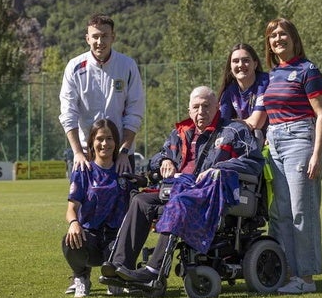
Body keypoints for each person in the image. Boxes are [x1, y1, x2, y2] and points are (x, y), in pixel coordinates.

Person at [100, 86, 264, 284]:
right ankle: (120, 266)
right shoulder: (179, 134)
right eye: (196, 107)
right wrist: (164, 161)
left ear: (217, 107)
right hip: (177, 188)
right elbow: (158, 156)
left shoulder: (234, 130)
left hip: (207, 192)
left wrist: (220, 168)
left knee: (179, 202)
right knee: (141, 200)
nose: (201, 111)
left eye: (206, 106)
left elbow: (254, 162)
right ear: (189, 111)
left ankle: (153, 272)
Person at [262, 17, 322, 295]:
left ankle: (307, 278)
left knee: (303, 212)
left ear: (294, 38)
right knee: (280, 214)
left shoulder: (307, 70)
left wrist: (317, 154)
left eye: (283, 34)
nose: (278, 39)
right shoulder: (273, 74)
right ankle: (286, 272)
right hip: (274, 142)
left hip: (300, 140)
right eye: (273, 35)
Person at [59, 14, 145, 174]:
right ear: (87, 39)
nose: (100, 42)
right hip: (86, 155)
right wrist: (77, 152)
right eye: (95, 37)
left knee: (126, 200)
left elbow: (135, 111)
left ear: (113, 37)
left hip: (121, 155)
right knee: (80, 200)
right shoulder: (74, 67)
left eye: (104, 36)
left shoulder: (128, 65)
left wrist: (124, 152)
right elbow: (67, 113)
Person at [62, 119, 135, 297]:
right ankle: (81, 277)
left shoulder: (123, 170)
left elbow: (136, 206)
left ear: (116, 142)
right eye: (100, 138)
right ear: (92, 143)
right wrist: (73, 223)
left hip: (115, 237)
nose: (105, 143)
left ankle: (114, 278)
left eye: (109, 138)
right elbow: (71, 208)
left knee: (123, 244)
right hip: (91, 238)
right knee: (69, 240)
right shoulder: (83, 170)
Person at [217, 43, 269, 131]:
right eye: (235, 61)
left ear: (255, 64)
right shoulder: (230, 90)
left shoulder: (265, 82)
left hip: (270, 138)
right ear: (230, 66)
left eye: (246, 60)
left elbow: (256, 123)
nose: (241, 65)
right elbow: (220, 124)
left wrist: (231, 124)